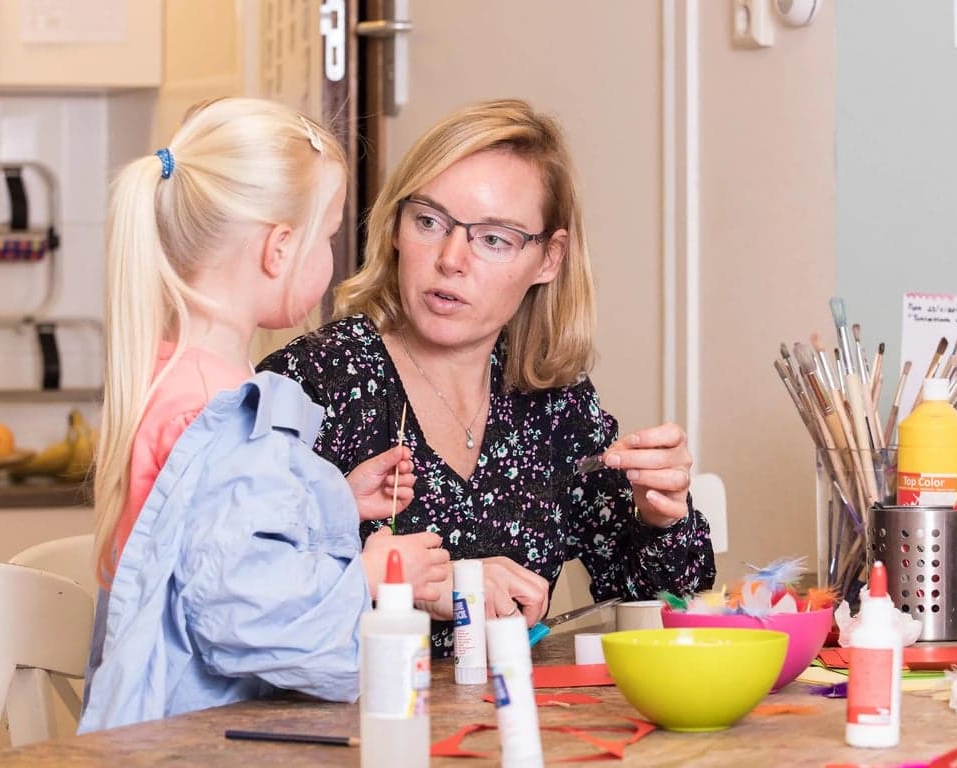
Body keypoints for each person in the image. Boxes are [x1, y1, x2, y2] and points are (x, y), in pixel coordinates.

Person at [258, 98, 716, 656]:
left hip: (513, 709)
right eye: (429, 221)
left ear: (549, 259)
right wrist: (430, 584)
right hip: (360, 711)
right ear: (396, 228)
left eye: (494, 238)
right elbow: (244, 604)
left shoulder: (554, 401)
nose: (451, 259)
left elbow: (658, 604)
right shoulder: (314, 382)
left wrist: (660, 515)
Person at [80, 97, 449, 732]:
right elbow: (243, 614)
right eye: (327, 236)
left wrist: (332, 500)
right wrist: (371, 575)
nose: (332, 255)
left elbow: (205, 540)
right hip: (199, 741)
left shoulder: (176, 378)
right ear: (278, 249)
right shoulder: (223, 412)